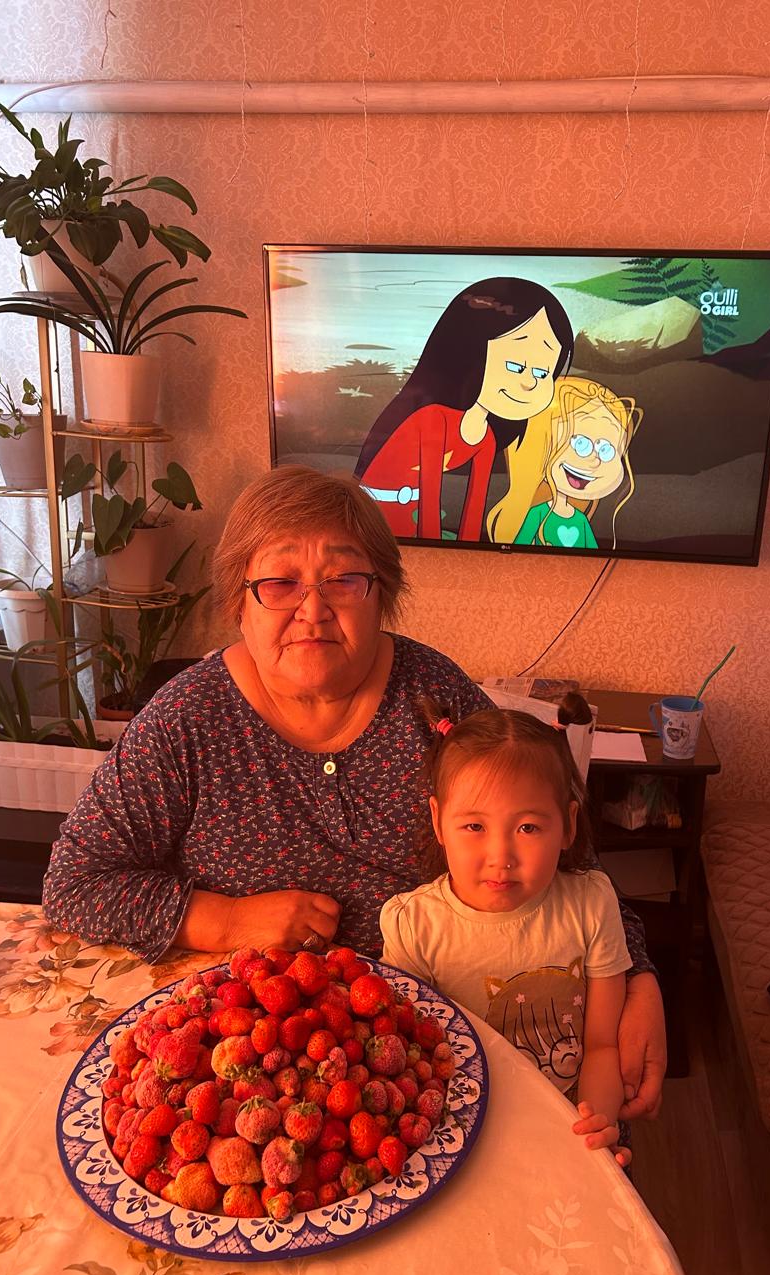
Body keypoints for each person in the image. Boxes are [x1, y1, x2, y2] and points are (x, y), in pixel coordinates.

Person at [42, 464, 665, 1122]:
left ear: (381, 595)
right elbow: (75, 883)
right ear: (238, 602)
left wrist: (640, 977)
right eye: (279, 582)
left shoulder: (434, 696)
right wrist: (226, 920)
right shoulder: (187, 719)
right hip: (259, 1060)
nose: (313, 610)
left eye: (342, 579)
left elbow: (564, 853)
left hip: (441, 1042)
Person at [380, 696, 633, 1164]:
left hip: (564, 1126)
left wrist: (595, 1125)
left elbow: (602, 1045)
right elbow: (413, 1064)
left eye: (529, 828)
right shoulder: (413, 926)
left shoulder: (592, 904)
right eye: (474, 826)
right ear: (438, 821)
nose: (501, 856)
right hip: (461, 1138)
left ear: (568, 825)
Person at [354, 277, 574, 542]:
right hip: (373, 524)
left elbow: (474, 508)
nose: (529, 382)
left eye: (541, 373)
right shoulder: (432, 420)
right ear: (469, 354)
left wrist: (471, 552)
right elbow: (430, 502)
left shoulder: (486, 437)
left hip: (414, 524)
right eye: (515, 367)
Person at [486, 375, 643, 550]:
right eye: (580, 443)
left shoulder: (580, 520)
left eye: (606, 450)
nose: (594, 460)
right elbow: (520, 547)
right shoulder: (537, 514)